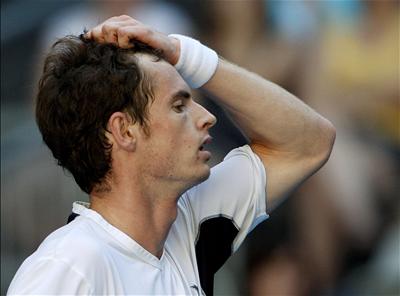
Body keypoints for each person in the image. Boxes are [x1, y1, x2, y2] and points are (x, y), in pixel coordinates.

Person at [7, 15, 335, 295]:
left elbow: (309, 143)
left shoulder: (190, 219)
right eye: (179, 106)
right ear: (124, 131)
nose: (207, 117)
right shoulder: (70, 265)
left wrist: (184, 54)